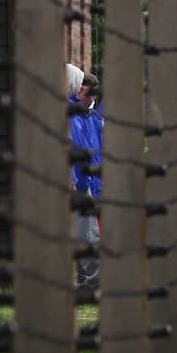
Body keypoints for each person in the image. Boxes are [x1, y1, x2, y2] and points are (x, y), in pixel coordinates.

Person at [67, 64, 102, 288]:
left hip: (91, 181)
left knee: (88, 232)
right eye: (83, 92)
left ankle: (87, 278)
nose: (86, 97)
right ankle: (89, 280)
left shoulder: (93, 117)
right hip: (79, 182)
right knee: (88, 234)